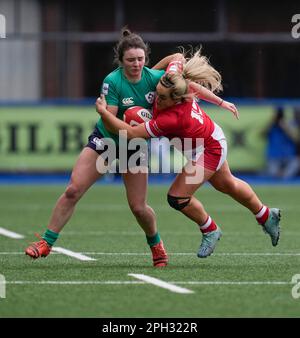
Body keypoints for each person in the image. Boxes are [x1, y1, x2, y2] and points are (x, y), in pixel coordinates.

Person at [25, 29, 234, 267]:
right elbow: (109, 123)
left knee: (138, 207)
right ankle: (47, 242)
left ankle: (156, 245)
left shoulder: (156, 79)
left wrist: (219, 101)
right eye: (130, 60)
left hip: (134, 146)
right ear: (121, 61)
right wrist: (113, 116)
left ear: (145, 58)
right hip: (107, 141)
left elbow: (183, 76)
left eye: (140, 59)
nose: (136, 64)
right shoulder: (112, 81)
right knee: (73, 189)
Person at [95, 49, 281, 258]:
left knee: (177, 197)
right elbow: (178, 60)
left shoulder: (172, 118)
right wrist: (220, 102)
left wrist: (103, 112)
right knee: (226, 184)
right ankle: (266, 215)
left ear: (177, 100)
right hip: (207, 136)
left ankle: (209, 229)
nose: (157, 98)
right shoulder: (172, 81)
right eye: (157, 91)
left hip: (209, 147)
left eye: (163, 98)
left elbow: (130, 133)